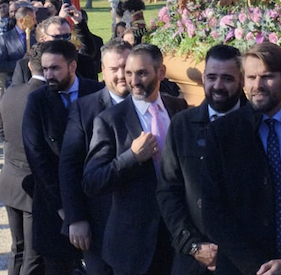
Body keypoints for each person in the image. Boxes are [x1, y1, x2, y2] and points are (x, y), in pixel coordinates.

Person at [83, 43, 188, 275]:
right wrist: (132, 158)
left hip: (178, 241)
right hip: (134, 248)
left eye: (142, 73)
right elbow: (92, 181)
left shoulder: (178, 108)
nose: (133, 81)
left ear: (161, 72)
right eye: (129, 73)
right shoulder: (110, 120)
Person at [202, 42, 281, 275]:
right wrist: (258, 267)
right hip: (243, 268)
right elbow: (213, 213)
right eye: (251, 77)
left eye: (267, 77)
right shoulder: (222, 133)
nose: (258, 86)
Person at [157, 44, 244, 275]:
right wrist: (193, 245)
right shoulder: (182, 124)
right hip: (193, 259)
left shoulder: (257, 124)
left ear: (242, 80)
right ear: (203, 77)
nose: (218, 86)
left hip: (245, 259)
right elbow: (168, 191)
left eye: (227, 78)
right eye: (212, 77)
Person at [23, 39, 105, 275]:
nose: (48, 75)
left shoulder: (97, 92)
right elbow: (37, 156)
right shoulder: (37, 100)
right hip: (53, 203)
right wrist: (65, 207)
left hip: (96, 199)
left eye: (55, 68)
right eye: (45, 69)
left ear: (72, 66)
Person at [59, 40, 131, 275]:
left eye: (126, 67)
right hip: (99, 221)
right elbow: (69, 166)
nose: (121, 75)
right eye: (114, 69)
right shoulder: (85, 108)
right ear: (103, 69)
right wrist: (76, 218)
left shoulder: (156, 103)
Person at [0, 44, 46, 275]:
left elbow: (2, 133)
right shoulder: (46, 97)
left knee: (18, 248)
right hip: (34, 185)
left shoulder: (11, 93)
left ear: (29, 66)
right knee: (33, 255)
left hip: (10, 179)